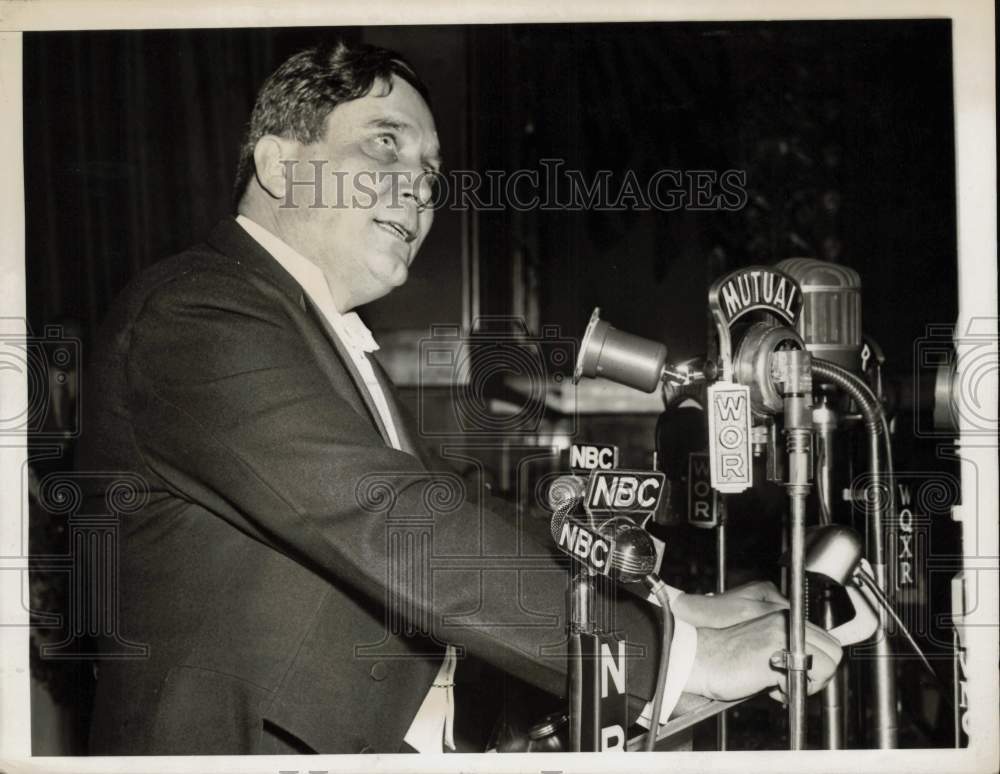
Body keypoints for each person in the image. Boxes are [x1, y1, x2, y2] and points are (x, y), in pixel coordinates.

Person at [79, 40, 842, 755]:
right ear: (282, 166)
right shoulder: (198, 311)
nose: (419, 187)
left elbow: (454, 506)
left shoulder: (305, 322)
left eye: (431, 172)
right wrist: (681, 658)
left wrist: (669, 607)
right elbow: (394, 519)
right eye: (385, 144)